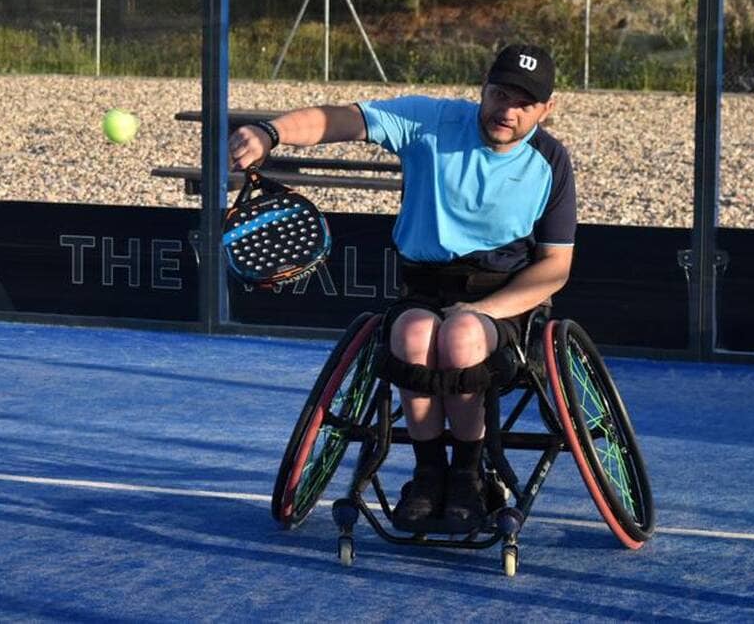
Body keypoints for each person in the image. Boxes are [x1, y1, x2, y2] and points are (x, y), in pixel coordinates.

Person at [229, 44, 576, 532]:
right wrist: (271, 132)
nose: (507, 110)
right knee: (414, 336)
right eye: (500, 94)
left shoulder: (550, 161)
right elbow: (342, 120)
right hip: (424, 286)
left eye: (524, 103)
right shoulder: (428, 121)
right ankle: (428, 473)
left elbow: (555, 268)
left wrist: (483, 309)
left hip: (503, 296)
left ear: (547, 108)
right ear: (483, 86)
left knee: (461, 337)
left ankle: (470, 476)